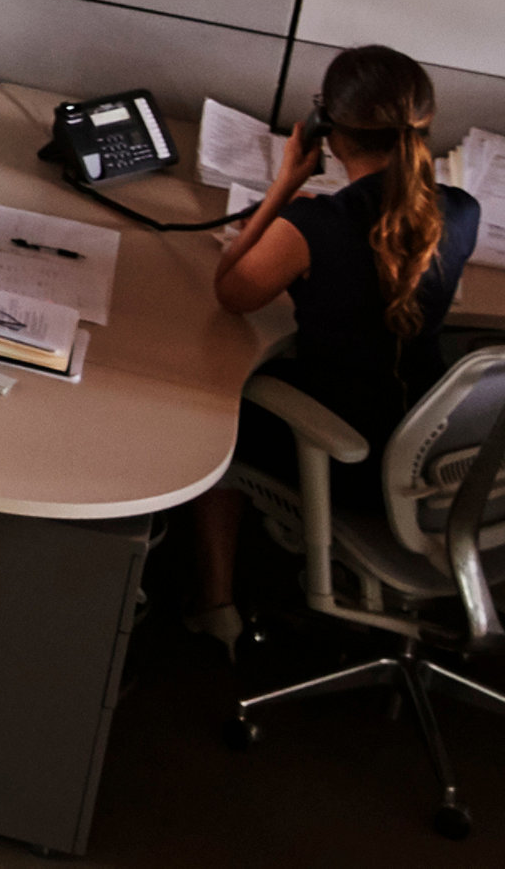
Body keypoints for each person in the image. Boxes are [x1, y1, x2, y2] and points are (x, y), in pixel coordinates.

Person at [182, 44, 482, 649]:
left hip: (352, 463)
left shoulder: (314, 226)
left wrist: (284, 186)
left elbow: (231, 293)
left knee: (217, 416)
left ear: (328, 129)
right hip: (428, 456)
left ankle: (217, 608)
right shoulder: (462, 211)